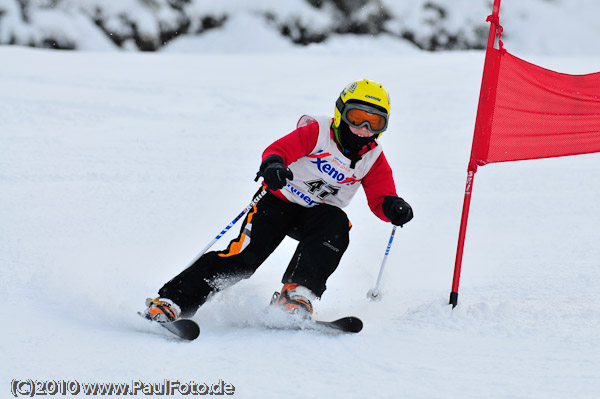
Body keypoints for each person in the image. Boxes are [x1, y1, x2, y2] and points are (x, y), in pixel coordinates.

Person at [144, 79, 414, 322]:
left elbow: (381, 195)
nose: (363, 129)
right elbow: (279, 150)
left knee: (337, 225)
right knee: (243, 258)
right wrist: (273, 166)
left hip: (317, 216)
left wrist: (392, 206)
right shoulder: (317, 132)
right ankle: (172, 302)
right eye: (356, 118)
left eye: (374, 123)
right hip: (276, 203)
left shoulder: (372, 158)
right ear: (340, 113)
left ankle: (296, 294)